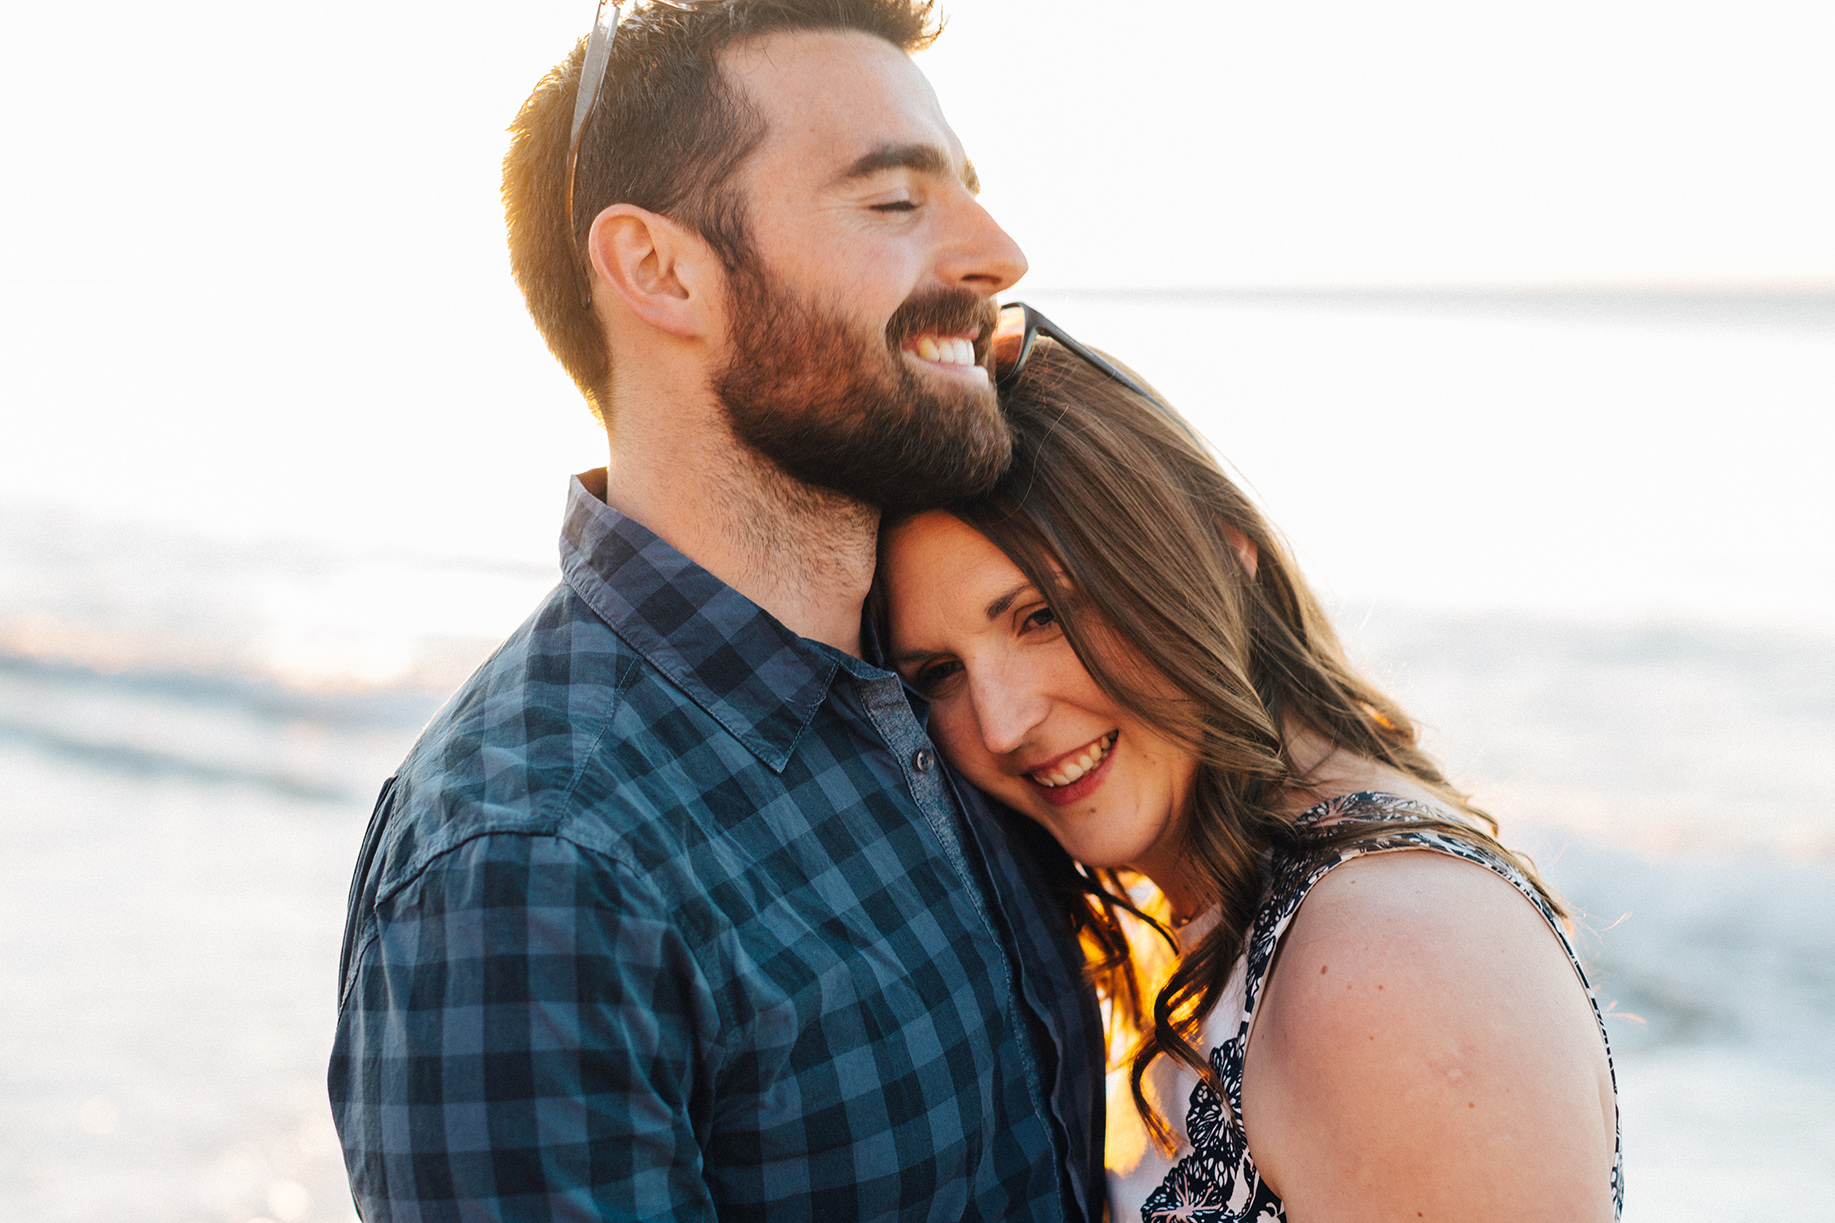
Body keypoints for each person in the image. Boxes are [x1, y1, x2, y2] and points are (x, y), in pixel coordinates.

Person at [328, 4, 1106, 1220]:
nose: (998, 253)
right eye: (896, 202)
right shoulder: (529, 871)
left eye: (965, 194)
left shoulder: (947, 692)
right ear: (661, 270)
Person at [877, 325, 1624, 1222]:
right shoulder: (1208, 911)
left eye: (1039, 616)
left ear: (1220, 559)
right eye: (939, 674)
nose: (1001, 722)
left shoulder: (1387, 958)